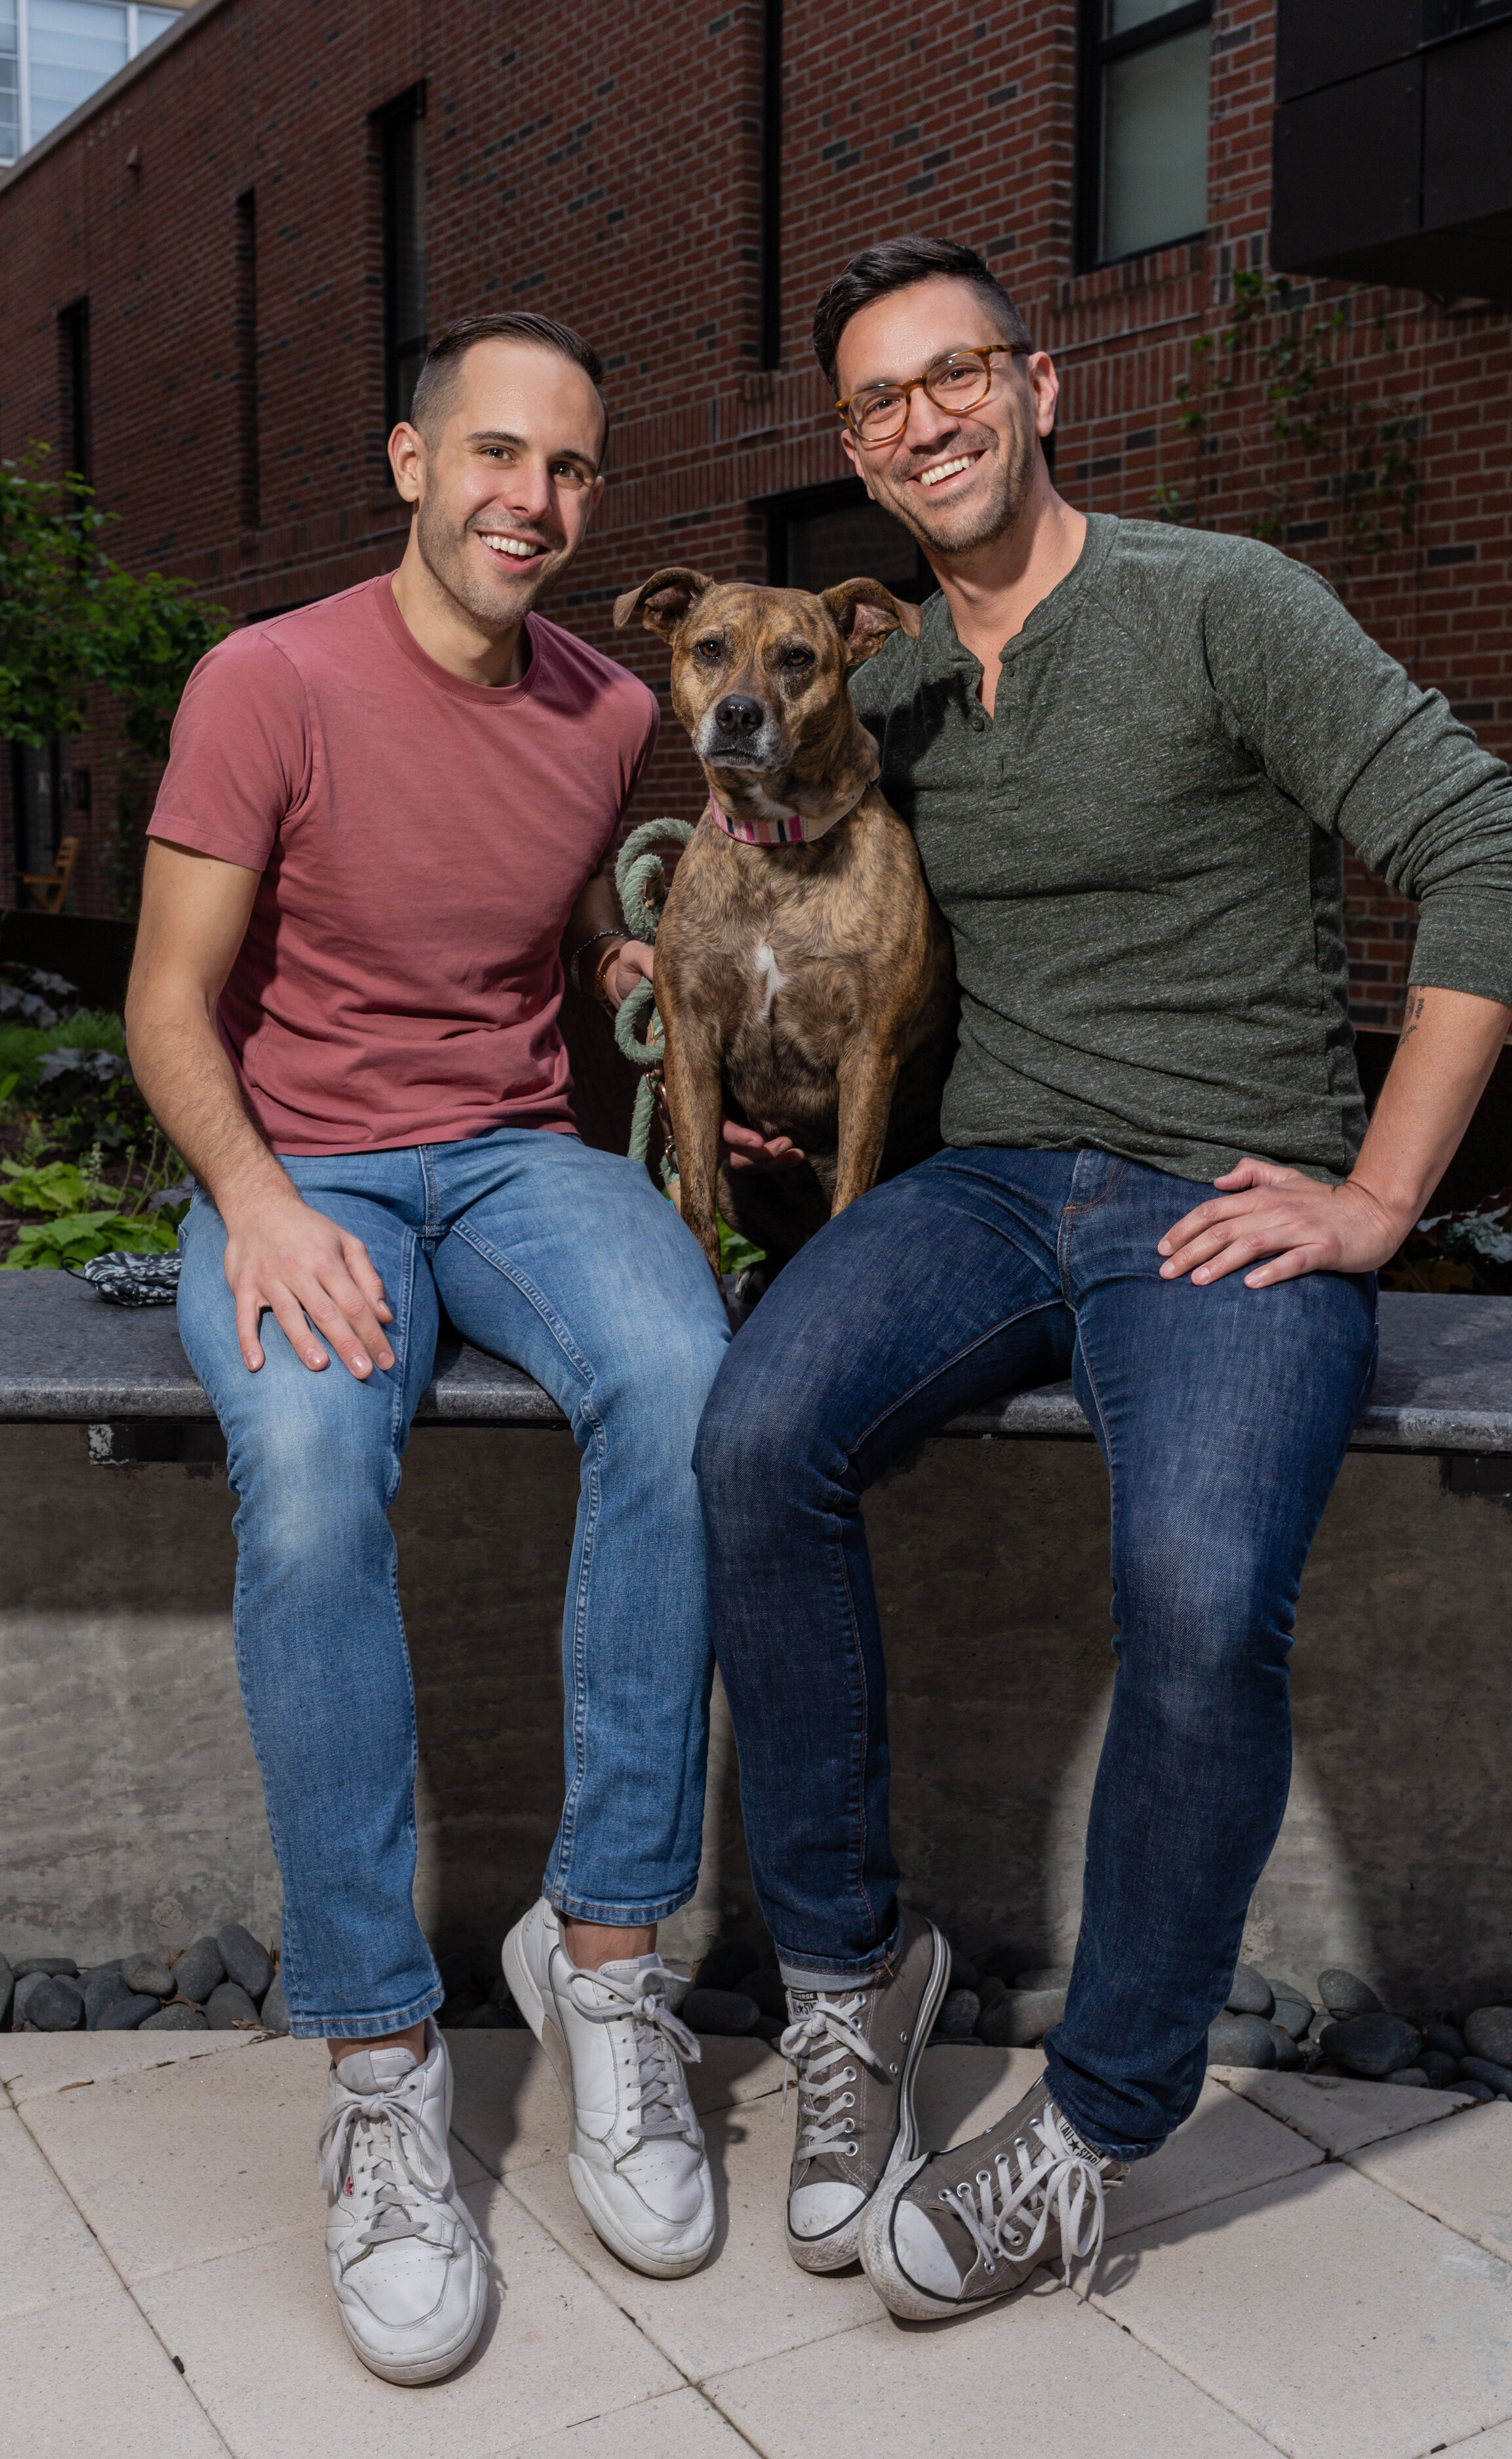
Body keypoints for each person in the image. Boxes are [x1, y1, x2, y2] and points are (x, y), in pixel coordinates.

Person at [693, 238, 1512, 2319]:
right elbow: (812, 900)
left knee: (1194, 1590)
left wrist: (1370, 1201)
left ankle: (1092, 2127)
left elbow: (1492, 852)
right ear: (856, 452)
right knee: (749, 1440)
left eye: (957, 375)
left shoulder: (1218, 604)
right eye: (880, 403)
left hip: (1217, 1198)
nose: (925, 420)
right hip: (981, 1183)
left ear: (1040, 384)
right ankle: (847, 1980)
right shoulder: (872, 682)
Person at [125, 311, 737, 2386]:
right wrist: (269, 1204)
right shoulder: (265, 681)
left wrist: (642, 968)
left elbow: (531, 917)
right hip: (299, 1160)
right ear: (406, 460)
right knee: (306, 1478)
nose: (532, 504)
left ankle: (606, 1959)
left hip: (513, 1157)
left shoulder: (608, 709)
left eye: (567, 470)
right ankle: (382, 2066)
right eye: (492, 455)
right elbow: (165, 1008)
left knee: (684, 1383)